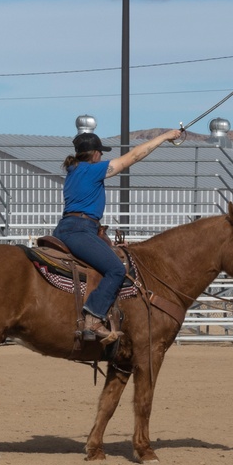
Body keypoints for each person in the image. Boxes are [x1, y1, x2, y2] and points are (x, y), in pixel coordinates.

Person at [53, 128, 181, 343]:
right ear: (95, 154)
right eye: (100, 153)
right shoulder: (92, 170)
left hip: (68, 227)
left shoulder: (73, 171)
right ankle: (93, 317)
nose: (102, 156)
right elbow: (134, 156)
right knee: (115, 269)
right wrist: (164, 137)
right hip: (81, 229)